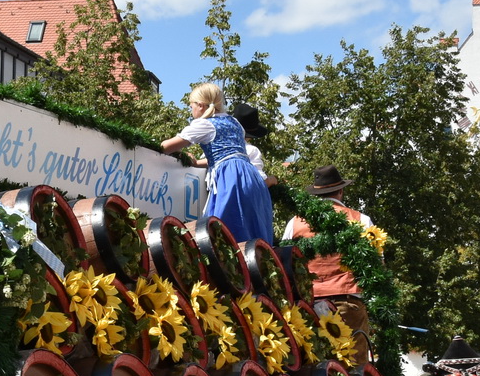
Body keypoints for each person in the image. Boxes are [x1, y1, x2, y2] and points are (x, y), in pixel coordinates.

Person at [160, 83, 275, 245]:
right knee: (250, 229)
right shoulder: (234, 122)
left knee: (224, 229)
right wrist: (197, 163)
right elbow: (226, 154)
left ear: (200, 105)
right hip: (250, 176)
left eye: (191, 106)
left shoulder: (205, 124)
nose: (191, 110)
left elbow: (165, 147)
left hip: (231, 178)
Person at [281, 164, 378, 343]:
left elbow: (284, 262)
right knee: (352, 358)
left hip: (308, 305)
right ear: (340, 191)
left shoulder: (294, 223)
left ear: (316, 194)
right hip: (348, 304)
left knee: (312, 358)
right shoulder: (361, 220)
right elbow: (376, 266)